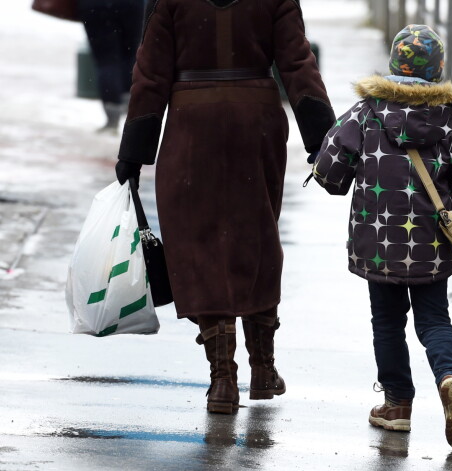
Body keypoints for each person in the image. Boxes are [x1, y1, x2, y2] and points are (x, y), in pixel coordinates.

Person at [114, 0, 335, 414]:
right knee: (258, 236)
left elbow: (151, 73)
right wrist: (323, 137)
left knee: (198, 246)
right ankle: (264, 368)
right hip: (257, 123)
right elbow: (297, 63)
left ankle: (222, 381)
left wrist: (134, 150)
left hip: (191, 125)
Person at [311, 25, 452, 449]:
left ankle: (397, 406)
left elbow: (328, 172)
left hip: (378, 243)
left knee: (387, 322)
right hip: (430, 245)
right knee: (434, 320)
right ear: (439, 70)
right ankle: (449, 378)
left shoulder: (365, 114)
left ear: (393, 65)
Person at [78, 0, 144, 132]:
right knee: (130, 55)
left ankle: (112, 119)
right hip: (131, 4)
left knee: (106, 61)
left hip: (96, 6)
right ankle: (131, 113)